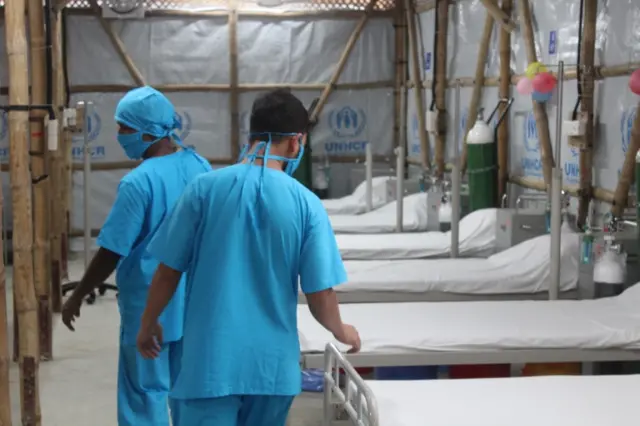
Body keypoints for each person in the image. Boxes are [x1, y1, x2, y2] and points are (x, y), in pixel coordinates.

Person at [136, 89, 361, 426]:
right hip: (271, 371)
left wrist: (148, 321)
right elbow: (319, 294)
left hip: (209, 365)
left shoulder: (203, 190)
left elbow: (168, 270)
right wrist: (342, 331)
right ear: (296, 143)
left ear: (252, 135)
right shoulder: (306, 204)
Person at [61, 86, 213, 426]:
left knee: (144, 394)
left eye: (125, 128)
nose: (118, 135)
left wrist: (79, 294)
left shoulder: (138, 183)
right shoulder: (199, 166)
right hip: (192, 304)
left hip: (150, 308)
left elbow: (111, 252)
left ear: (149, 131)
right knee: (187, 392)